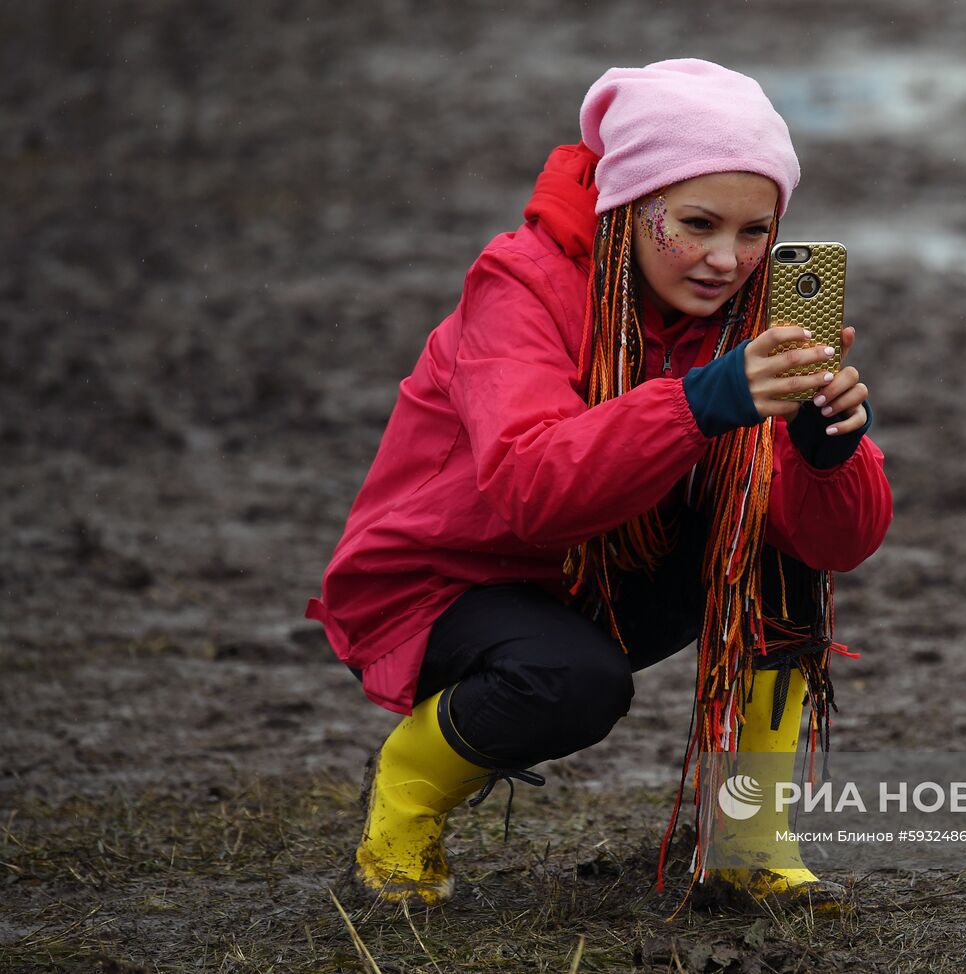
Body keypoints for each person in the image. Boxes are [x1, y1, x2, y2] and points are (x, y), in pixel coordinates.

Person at [306, 58, 893, 914]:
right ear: (629, 203)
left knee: (778, 551)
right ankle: (408, 793)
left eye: (755, 231)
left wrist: (825, 450)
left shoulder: (759, 312)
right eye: (695, 224)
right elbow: (530, 487)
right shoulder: (519, 282)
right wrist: (705, 399)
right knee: (571, 680)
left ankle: (745, 844)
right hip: (452, 581)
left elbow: (840, 545)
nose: (726, 260)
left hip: (609, 564)